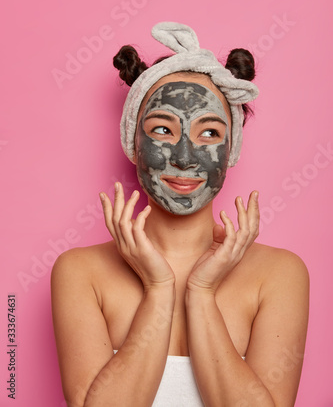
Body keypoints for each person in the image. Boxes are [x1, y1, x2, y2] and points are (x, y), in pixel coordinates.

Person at [51, 22, 309, 407]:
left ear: (231, 149)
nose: (185, 158)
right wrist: (158, 288)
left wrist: (201, 292)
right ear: (132, 142)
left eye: (209, 134)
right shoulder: (80, 273)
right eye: (162, 130)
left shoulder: (280, 275)